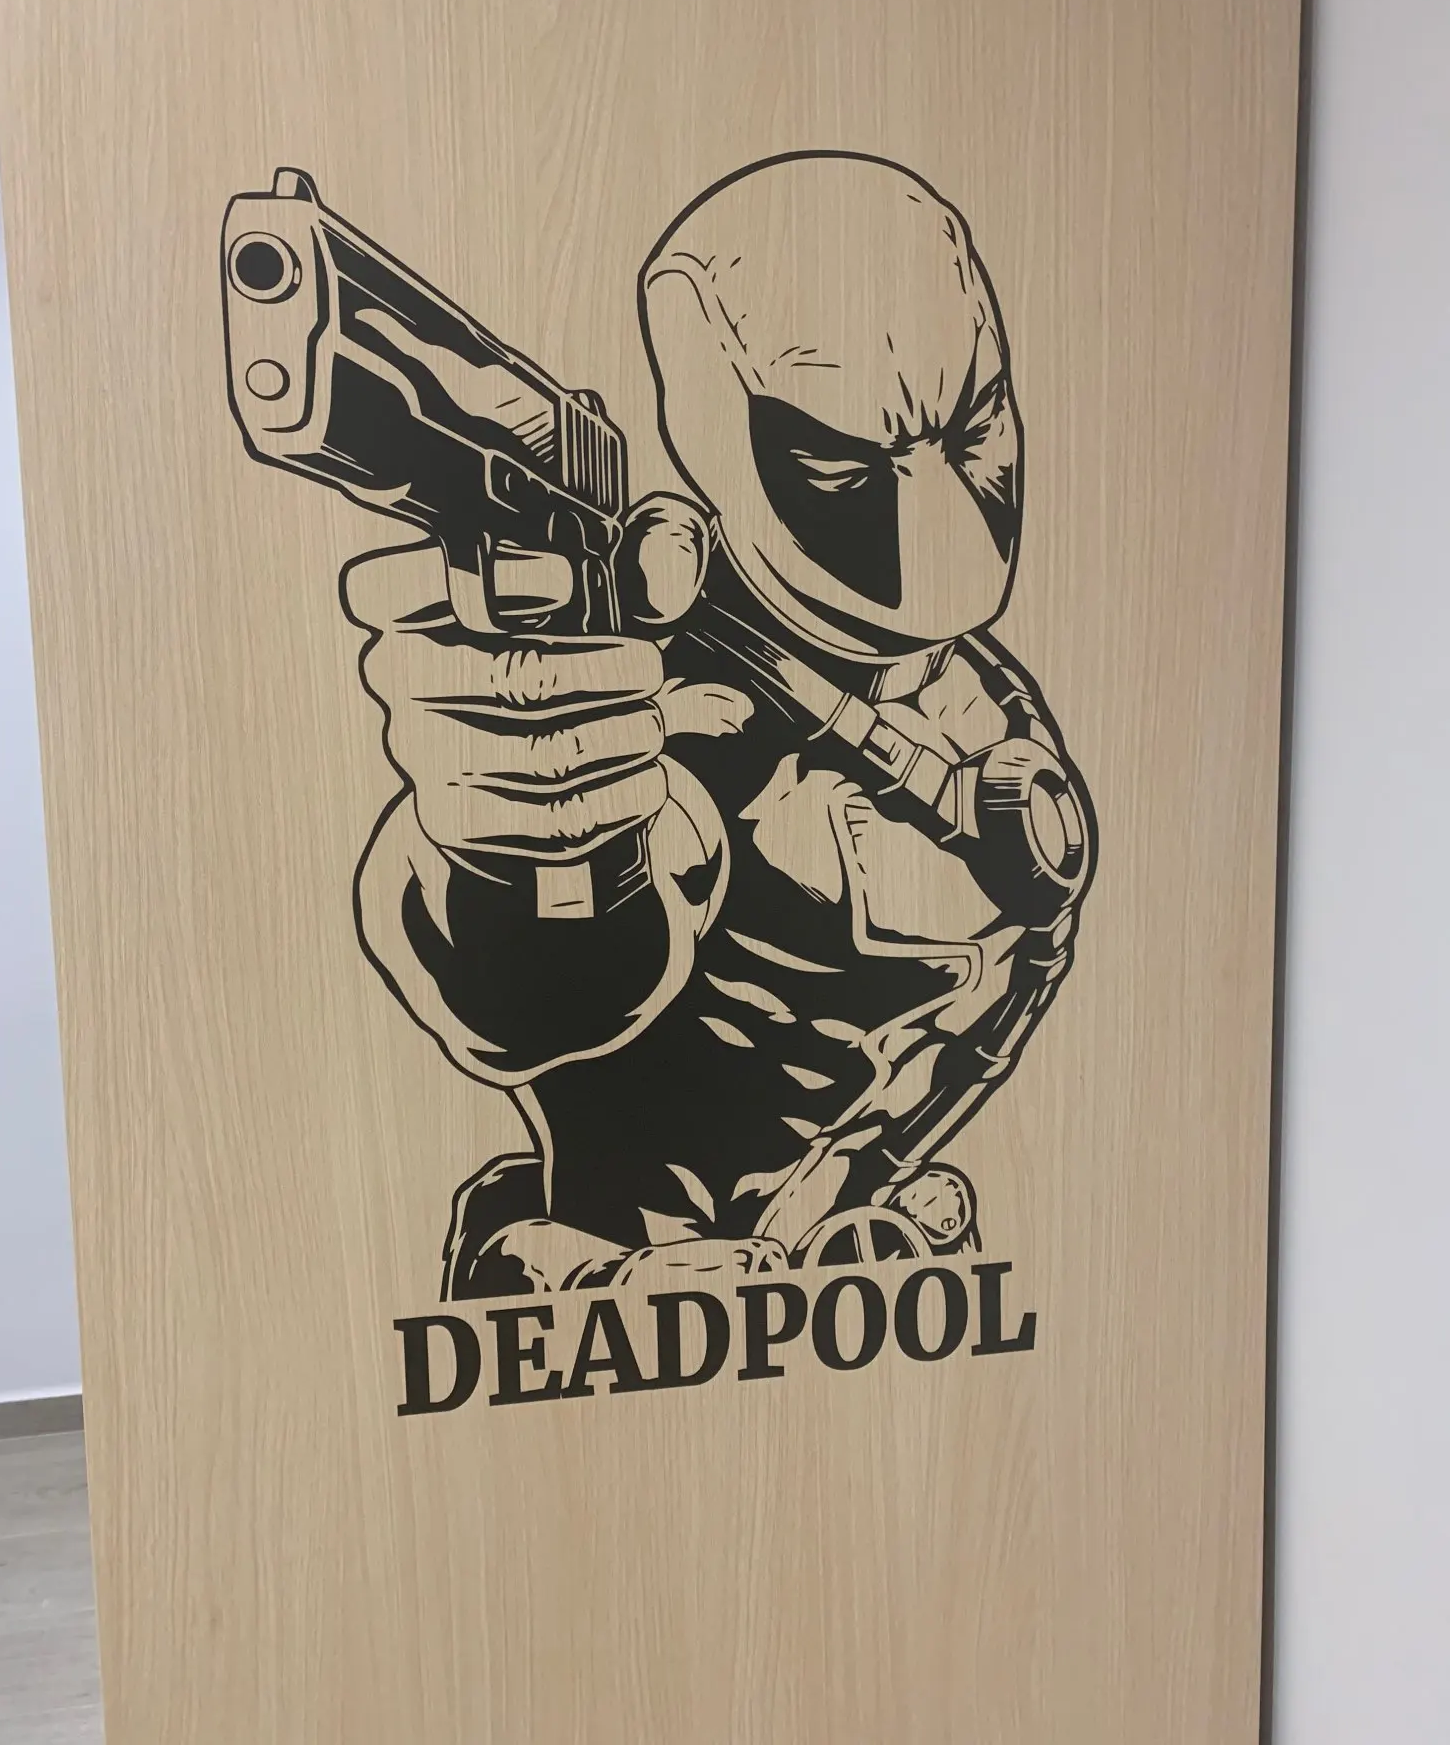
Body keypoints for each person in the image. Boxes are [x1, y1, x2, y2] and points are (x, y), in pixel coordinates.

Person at [343, 152, 1095, 1299]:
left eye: (973, 423)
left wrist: (855, 1199)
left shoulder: (994, 710)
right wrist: (513, 843)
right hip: (620, 1293)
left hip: (867, 1276)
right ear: (707, 431)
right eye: (837, 462)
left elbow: (1005, 981)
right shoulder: (651, 692)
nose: (943, 515)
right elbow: (540, 985)